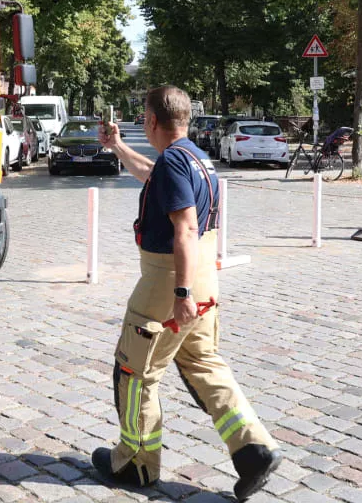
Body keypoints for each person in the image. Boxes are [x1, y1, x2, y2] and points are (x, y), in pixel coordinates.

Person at [92, 85, 281, 501]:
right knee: (203, 363)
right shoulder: (194, 157)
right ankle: (254, 449)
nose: (142, 123)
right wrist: (120, 146)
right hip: (204, 276)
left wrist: (179, 291)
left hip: (169, 279)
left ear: (154, 120)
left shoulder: (175, 163)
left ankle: (135, 464)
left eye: (143, 118)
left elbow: (186, 228)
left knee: (135, 371)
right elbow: (152, 176)